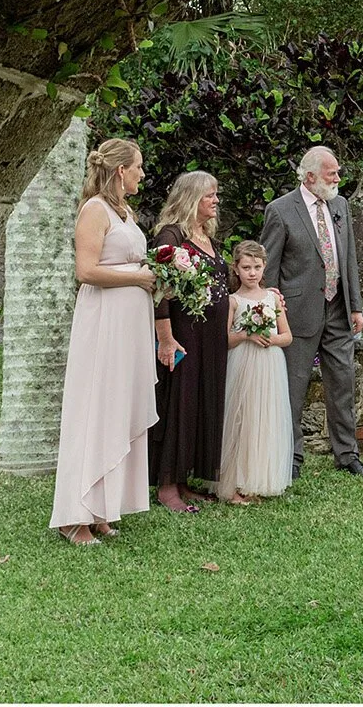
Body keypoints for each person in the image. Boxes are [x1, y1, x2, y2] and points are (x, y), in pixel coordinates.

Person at [50, 138, 157, 546]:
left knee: (117, 407)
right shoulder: (94, 210)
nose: (142, 174)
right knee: (95, 408)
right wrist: (139, 277)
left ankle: (101, 509)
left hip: (128, 324)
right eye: (138, 167)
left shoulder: (124, 212)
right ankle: (73, 516)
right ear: (119, 171)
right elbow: (86, 270)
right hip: (103, 322)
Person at [260, 144, 363, 480]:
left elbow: (347, 256)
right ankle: (291, 457)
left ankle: (348, 454)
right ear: (310, 177)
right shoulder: (280, 210)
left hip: (337, 309)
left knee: (343, 382)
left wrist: (356, 305)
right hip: (297, 313)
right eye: (331, 173)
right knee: (294, 387)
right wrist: (272, 311)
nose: (338, 178)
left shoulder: (340, 205)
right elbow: (269, 268)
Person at [149, 170, 229, 514]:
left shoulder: (207, 236)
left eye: (215, 195)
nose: (215, 201)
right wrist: (165, 340)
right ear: (192, 197)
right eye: (209, 195)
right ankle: (166, 484)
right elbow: (160, 291)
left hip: (210, 337)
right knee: (177, 402)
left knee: (199, 402)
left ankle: (184, 480)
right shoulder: (171, 235)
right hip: (182, 336)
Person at [218, 240, 295, 504]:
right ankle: (237, 482)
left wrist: (270, 339)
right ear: (236, 269)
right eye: (247, 267)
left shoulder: (272, 298)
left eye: (257, 267)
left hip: (269, 363)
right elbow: (225, 339)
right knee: (243, 418)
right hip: (243, 362)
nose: (252, 273)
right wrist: (246, 334)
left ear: (264, 268)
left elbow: (287, 336)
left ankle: (259, 478)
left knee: (265, 417)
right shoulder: (233, 301)